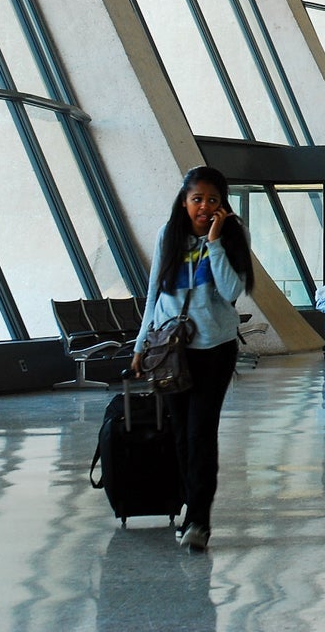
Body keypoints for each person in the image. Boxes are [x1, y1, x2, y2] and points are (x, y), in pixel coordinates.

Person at [131, 165, 253, 553]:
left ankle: (200, 520)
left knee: (201, 433)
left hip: (214, 349)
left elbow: (233, 290)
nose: (203, 207)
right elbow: (154, 292)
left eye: (211, 200)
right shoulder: (170, 235)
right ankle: (189, 506)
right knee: (179, 434)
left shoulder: (232, 235)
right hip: (171, 351)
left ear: (222, 206)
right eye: (196, 199)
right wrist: (139, 346)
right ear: (183, 202)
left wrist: (215, 242)